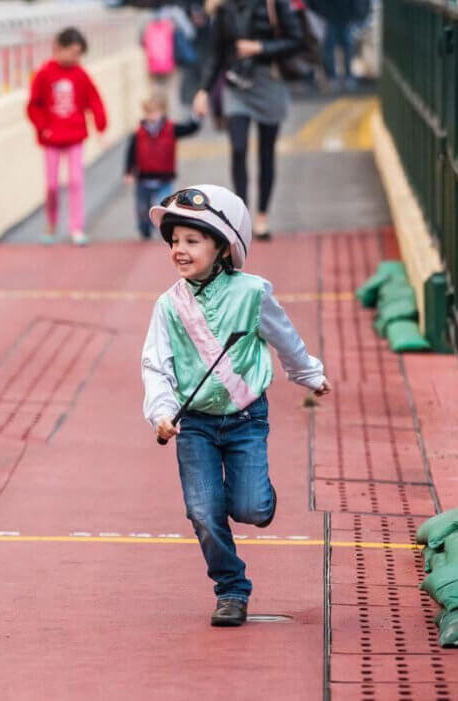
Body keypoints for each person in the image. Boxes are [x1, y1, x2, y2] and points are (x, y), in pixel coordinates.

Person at [141, 184, 330, 626]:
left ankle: (254, 495)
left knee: (250, 509)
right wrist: (161, 412)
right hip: (196, 426)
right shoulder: (168, 307)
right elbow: (155, 364)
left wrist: (310, 375)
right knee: (204, 513)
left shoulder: (253, 293)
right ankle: (231, 590)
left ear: (223, 246)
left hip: (246, 419)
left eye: (192, 241)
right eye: (174, 242)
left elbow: (285, 339)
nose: (180, 250)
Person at [191, 0, 303, 241]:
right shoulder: (223, 9)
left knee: (266, 152)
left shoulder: (276, 4)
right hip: (236, 85)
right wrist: (203, 90)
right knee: (238, 148)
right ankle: (241, 216)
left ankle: (262, 215)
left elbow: (296, 39)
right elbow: (215, 54)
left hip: (269, 83)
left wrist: (259, 47)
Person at [27, 27, 108, 247]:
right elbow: (34, 105)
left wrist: (100, 124)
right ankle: (52, 223)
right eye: (72, 52)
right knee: (52, 185)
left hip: (74, 135)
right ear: (58, 48)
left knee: (75, 181)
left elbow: (94, 99)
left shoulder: (80, 74)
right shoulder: (44, 74)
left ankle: (76, 227)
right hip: (52, 137)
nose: (75, 58)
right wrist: (43, 127)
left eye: (79, 54)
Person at [123, 93, 202, 240]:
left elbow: (190, 128)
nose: (151, 116)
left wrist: (197, 116)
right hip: (143, 178)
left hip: (164, 177)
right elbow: (131, 153)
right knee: (142, 207)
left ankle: (163, 227)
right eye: (148, 112)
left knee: (163, 204)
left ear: (163, 112)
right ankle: (144, 227)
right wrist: (128, 172)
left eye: (155, 112)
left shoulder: (171, 129)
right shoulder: (138, 133)